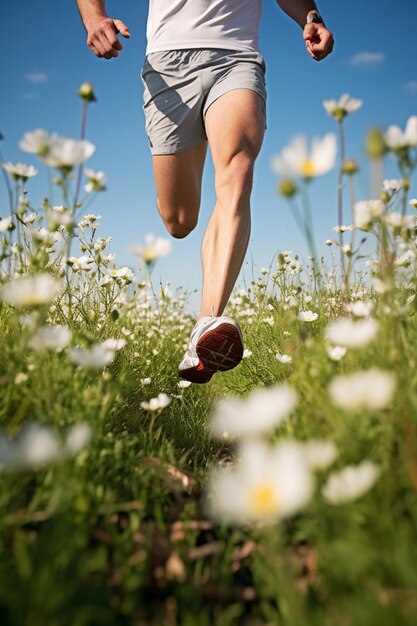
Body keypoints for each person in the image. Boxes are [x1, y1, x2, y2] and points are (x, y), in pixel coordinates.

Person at [77, 0, 334, 383]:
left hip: (237, 57)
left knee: (238, 172)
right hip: (168, 64)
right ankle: (204, 321)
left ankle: (206, 323)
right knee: (178, 220)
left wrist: (311, 17)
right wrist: (94, 17)